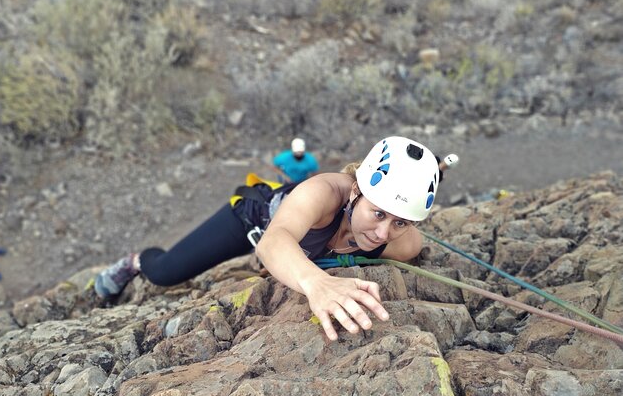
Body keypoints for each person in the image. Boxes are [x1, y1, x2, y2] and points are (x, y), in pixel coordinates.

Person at [95, 136, 443, 341]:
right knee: (165, 273)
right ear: (355, 191)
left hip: (297, 239)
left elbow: (404, 242)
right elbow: (273, 242)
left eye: (401, 222)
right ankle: (136, 261)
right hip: (253, 218)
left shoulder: (404, 243)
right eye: (378, 213)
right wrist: (317, 283)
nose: (383, 233)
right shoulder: (321, 193)